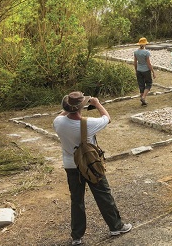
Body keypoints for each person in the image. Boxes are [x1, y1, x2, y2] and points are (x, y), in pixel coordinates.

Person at [53, 91, 132, 245]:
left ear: (68, 107)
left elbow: (64, 114)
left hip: (71, 165)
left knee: (77, 200)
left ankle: (77, 236)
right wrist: (96, 103)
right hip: (90, 165)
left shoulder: (58, 122)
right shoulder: (88, 124)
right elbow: (107, 118)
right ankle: (116, 226)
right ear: (81, 107)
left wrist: (72, 106)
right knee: (103, 194)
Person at [133, 37, 155, 106]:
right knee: (149, 83)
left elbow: (135, 62)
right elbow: (148, 63)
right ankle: (143, 97)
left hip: (139, 70)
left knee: (141, 84)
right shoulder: (146, 52)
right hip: (146, 70)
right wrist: (153, 71)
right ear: (145, 44)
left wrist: (136, 70)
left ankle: (143, 100)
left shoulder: (136, 52)